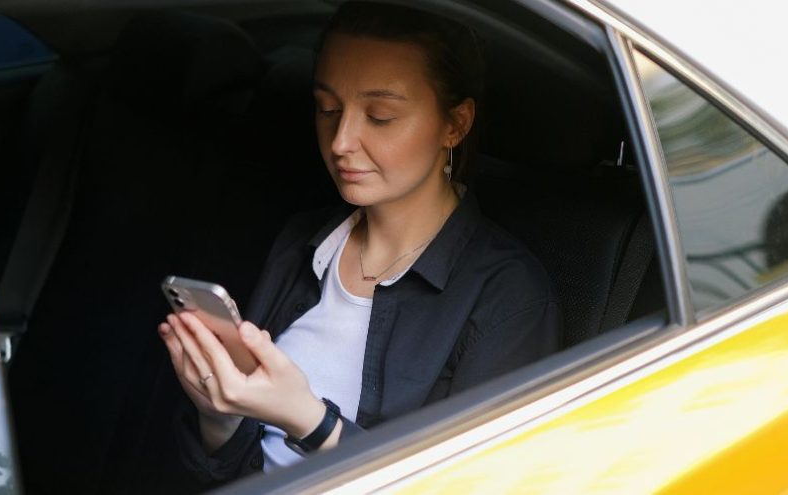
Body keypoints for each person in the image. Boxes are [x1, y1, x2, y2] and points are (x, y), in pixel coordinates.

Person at [157, 1, 560, 486]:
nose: (341, 140)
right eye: (327, 108)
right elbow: (232, 468)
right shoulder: (302, 243)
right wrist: (220, 411)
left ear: (454, 124)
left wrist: (309, 421)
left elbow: (473, 484)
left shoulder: (507, 298)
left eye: (381, 115)